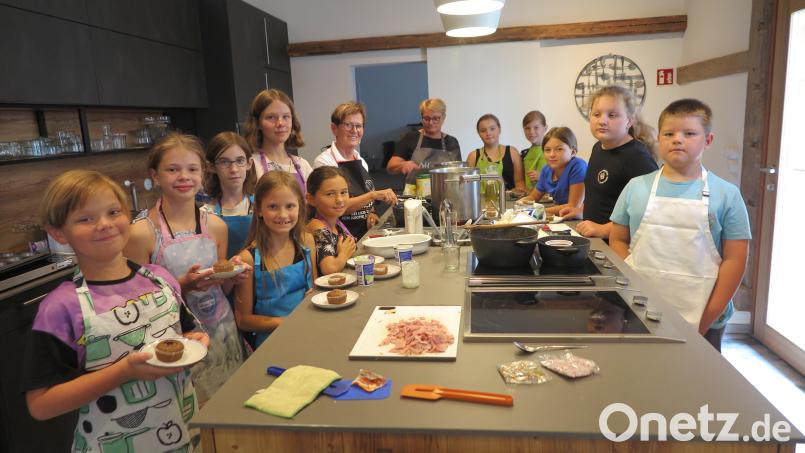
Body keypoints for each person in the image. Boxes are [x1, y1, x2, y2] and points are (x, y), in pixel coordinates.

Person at [24, 170, 209, 452]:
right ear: (58, 233)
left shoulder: (161, 279)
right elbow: (41, 404)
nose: (104, 224)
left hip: (182, 431)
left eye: (113, 212)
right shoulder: (60, 308)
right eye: (85, 218)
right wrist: (124, 371)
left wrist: (197, 340)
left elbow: (187, 333)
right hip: (110, 443)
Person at [609, 99, 750, 351]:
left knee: (697, 386)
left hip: (706, 316)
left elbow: (735, 260)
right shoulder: (635, 188)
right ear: (659, 139)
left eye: (689, 133)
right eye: (669, 133)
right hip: (642, 308)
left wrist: (705, 319)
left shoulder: (727, 194)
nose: (677, 139)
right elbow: (618, 239)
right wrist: (633, 273)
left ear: (708, 140)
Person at [125, 133, 247, 403]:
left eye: (192, 169)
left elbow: (223, 286)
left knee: (229, 411)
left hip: (222, 332)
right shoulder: (141, 233)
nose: (184, 176)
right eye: (172, 169)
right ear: (155, 176)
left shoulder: (216, 225)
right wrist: (184, 285)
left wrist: (234, 276)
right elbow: (137, 306)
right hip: (174, 343)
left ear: (203, 174)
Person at [560, 85, 659, 238]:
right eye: (596, 114)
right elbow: (601, 197)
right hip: (593, 240)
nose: (602, 121)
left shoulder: (638, 158)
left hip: (618, 246)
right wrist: (581, 211)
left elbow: (649, 213)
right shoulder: (598, 148)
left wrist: (603, 230)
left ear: (629, 121)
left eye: (612, 115)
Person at [234, 171, 317, 348]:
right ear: (259, 210)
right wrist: (286, 322)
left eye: (290, 206)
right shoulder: (248, 259)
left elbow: (314, 288)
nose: (283, 214)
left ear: (300, 207)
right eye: (273, 206)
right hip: (271, 343)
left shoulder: (306, 242)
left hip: (310, 332)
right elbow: (243, 319)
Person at [312, 102, 397, 238]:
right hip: (339, 239)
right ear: (334, 129)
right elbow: (335, 206)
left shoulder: (361, 161)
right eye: (348, 125)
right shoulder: (324, 162)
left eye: (359, 126)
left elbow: (365, 202)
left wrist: (371, 214)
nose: (354, 130)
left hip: (363, 236)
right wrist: (373, 195)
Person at [244, 89, 313, 191]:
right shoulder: (251, 166)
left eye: (286, 117)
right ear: (257, 123)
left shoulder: (303, 166)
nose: (280, 123)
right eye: (271, 117)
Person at [202, 132, 257, 259]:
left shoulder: (261, 206)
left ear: (249, 163)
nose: (233, 169)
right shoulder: (205, 214)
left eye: (239, 161)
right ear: (211, 166)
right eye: (224, 162)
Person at [386, 98, 461, 190]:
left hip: (444, 195)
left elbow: (458, 172)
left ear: (443, 117)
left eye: (436, 118)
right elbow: (390, 167)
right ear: (422, 118)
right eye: (426, 118)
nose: (431, 122)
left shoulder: (451, 142)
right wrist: (403, 164)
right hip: (415, 198)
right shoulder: (411, 138)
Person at [517, 127, 586, 216]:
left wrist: (541, 211)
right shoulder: (546, 170)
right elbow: (534, 197)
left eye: (559, 149)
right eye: (547, 150)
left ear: (573, 152)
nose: (552, 155)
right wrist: (521, 203)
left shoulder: (578, 166)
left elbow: (573, 206)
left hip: (585, 218)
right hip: (561, 215)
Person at [467, 114, 526, 209]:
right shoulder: (473, 156)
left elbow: (520, 184)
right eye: (483, 130)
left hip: (508, 206)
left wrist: (510, 193)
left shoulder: (512, 152)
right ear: (479, 133)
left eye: (492, 128)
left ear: (499, 129)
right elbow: (467, 188)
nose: (488, 133)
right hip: (481, 206)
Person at [306, 167, 357, 275]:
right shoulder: (317, 227)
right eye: (330, 194)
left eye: (343, 192)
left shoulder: (336, 223)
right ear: (311, 199)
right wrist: (343, 254)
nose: (339, 199)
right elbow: (329, 269)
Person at [520, 110, 549, 191]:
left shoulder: (553, 150)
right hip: (530, 196)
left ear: (545, 128)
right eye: (527, 128)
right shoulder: (524, 154)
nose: (531, 132)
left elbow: (560, 176)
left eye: (536, 127)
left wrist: (541, 177)